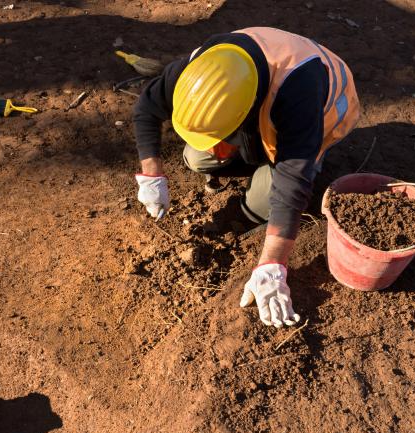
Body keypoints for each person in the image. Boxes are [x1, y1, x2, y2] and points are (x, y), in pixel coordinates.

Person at [132, 27, 359, 327]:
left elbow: (293, 182)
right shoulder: (202, 69)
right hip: (263, 111)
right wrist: (151, 175)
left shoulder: (297, 94)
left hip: (323, 119)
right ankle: (254, 159)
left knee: (265, 202)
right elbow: (147, 108)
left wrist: (272, 264)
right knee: (196, 157)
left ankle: (254, 195)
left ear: (247, 112)